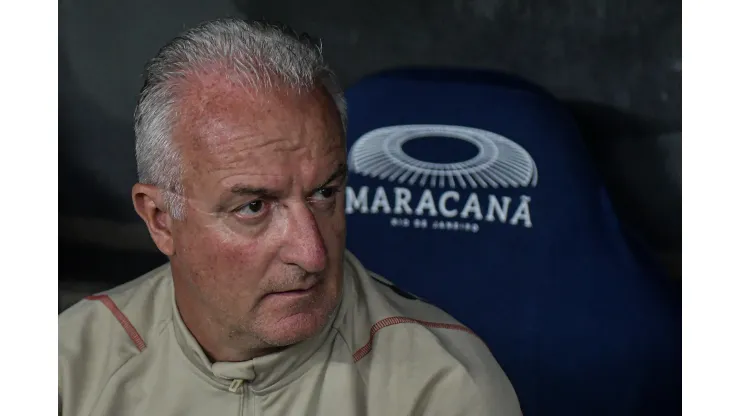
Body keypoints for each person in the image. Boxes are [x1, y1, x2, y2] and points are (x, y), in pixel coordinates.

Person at [58, 18, 522, 415]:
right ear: (160, 219)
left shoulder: (443, 390)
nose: (312, 253)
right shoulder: (65, 368)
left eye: (325, 193)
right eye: (254, 207)